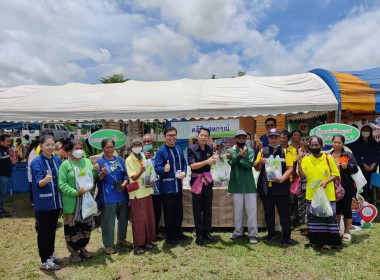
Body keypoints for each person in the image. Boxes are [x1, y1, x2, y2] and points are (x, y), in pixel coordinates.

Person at [297, 136, 341, 251]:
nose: (314, 147)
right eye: (312, 145)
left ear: (321, 146)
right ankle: (315, 241)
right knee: (314, 219)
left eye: (317, 145)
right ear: (309, 146)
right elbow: (302, 176)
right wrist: (299, 162)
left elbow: (336, 175)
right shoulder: (306, 159)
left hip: (327, 195)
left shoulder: (328, 158)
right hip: (312, 195)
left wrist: (326, 181)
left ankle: (329, 242)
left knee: (328, 219)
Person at [58, 139, 99, 263]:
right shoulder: (65, 165)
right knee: (72, 229)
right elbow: (62, 184)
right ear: (70, 150)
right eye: (76, 148)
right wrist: (76, 192)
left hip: (86, 201)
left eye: (81, 148)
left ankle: (83, 248)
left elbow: (92, 178)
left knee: (86, 226)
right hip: (72, 202)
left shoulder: (87, 162)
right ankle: (74, 252)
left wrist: (96, 170)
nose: (79, 150)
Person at [255, 128, 294, 246]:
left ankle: (286, 237)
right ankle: (271, 234)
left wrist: (281, 179)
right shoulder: (262, 152)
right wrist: (259, 163)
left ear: (280, 138)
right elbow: (257, 168)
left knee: (284, 213)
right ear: (268, 139)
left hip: (281, 187)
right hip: (266, 188)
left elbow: (290, 169)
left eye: (276, 137)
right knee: (269, 212)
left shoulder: (286, 152)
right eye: (271, 137)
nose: (273, 139)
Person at [30, 134, 62, 270]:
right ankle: (44, 260)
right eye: (47, 145)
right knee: (43, 232)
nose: (50, 147)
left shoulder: (57, 160)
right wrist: (46, 180)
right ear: (41, 146)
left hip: (56, 202)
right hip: (44, 203)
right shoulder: (36, 162)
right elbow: (38, 182)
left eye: (52, 144)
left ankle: (50, 253)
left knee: (52, 230)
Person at [154, 126, 188, 246]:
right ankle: (170, 237)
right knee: (169, 214)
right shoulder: (160, 152)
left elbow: (184, 163)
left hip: (178, 186)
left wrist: (184, 172)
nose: (171, 137)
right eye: (169, 135)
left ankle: (178, 232)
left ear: (176, 136)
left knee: (179, 212)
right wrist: (164, 168)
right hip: (167, 188)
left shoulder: (178, 149)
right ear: (165, 137)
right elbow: (157, 168)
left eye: (173, 135)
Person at [96, 139, 130, 255]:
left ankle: (121, 238)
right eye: (107, 147)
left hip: (121, 193)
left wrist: (125, 183)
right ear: (103, 149)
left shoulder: (119, 160)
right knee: (108, 220)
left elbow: (126, 174)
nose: (110, 149)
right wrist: (103, 173)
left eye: (111, 147)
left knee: (123, 218)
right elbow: (98, 179)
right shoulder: (100, 161)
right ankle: (108, 244)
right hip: (108, 195)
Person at [227, 130, 258, 244]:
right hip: (236, 184)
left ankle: (253, 234)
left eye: (243, 138)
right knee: (238, 210)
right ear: (235, 139)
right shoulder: (230, 150)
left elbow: (248, 165)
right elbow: (231, 163)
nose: (241, 140)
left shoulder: (250, 150)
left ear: (246, 139)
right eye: (239, 138)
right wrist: (239, 157)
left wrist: (239, 158)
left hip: (249, 185)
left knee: (251, 211)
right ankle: (238, 231)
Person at [187, 127, 217, 245]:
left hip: (207, 181)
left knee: (208, 208)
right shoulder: (191, 149)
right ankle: (199, 234)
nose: (203, 137)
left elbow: (211, 163)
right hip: (196, 181)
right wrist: (206, 162)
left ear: (208, 138)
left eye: (206, 136)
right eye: (202, 135)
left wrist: (214, 160)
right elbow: (193, 166)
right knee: (197, 209)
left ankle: (207, 232)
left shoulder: (209, 149)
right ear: (197, 136)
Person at [126, 137, 156, 254]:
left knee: (148, 216)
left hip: (146, 190)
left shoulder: (143, 157)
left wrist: (150, 181)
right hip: (136, 193)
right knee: (138, 219)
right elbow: (133, 177)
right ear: (131, 147)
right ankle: (138, 244)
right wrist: (141, 171)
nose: (138, 146)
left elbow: (148, 171)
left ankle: (147, 240)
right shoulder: (129, 160)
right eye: (135, 145)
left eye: (139, 144)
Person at [328, 134, 359, 242]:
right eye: (335, 142)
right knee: (335, 209)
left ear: (343, 144)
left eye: (339, 142)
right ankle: (336, 230)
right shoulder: (329, 155)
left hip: (346, 187)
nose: (336, 144)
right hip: (332, 187)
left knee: (346, 209)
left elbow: (355, 168)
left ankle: (346, 232)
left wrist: (347, 166)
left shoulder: (347, 154)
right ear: (332, 143)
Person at [348, 125, 380, 203]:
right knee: (361, 183)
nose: (365, 132)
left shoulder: (374, 142)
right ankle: (361, 200)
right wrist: (363, 164)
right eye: (364, 130)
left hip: (372, 167)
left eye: (367, 131)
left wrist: (374, 164)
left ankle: (370, 200)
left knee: (370, 184)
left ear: (370, 132)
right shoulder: (357, 143)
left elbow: (378, 154)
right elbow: (356, 154)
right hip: (361, 167)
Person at [143, 133, 165, 240]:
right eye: (145, 142)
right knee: (147, 213)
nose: (147, 144)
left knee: (156, 211)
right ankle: (147, 233)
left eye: (149, 141)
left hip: (157, 190)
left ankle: (155, 232)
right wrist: (145, 159)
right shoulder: (140, 156)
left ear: (152, 143)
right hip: (146, 189)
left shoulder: (157, 155)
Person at [0, 134, 12, 218]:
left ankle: (1, 209)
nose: (9, 143)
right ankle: (0, 211)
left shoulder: (5, 149)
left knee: (2, 193)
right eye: (7, 141)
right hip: (1, 176)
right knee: (1, 193)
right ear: (1, 142)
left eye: (10, 141)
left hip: (5, 175)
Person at [27, 140, 40, 205]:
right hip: (32, 171)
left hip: (33, 172)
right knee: (32, 187)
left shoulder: (35, 151)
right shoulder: (33, 152)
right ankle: (33, 201)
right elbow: (31, 163)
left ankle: (33, 200)